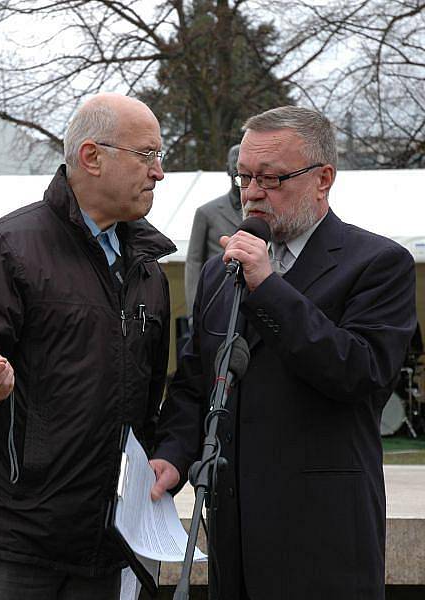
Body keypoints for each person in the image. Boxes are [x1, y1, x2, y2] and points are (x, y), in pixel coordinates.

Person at [150, 106, 417, 599]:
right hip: (234, 540)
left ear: (323, 179)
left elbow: (360, 372)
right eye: (244, 177)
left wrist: (269, 287)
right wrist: (172, 454)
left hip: (323, 541)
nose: (251, 194)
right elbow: (196, 383)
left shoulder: (378, 264)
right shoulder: (217, 272)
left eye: (271, 179)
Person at [0, 93, 175, 600]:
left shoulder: (147, 270)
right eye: (146, 155)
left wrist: (166, 457)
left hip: (108, 542)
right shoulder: (8, 247)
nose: (159, 172)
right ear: (91, 157)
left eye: (159, 156)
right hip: (11, 539)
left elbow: (146, 403)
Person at [184, 144, 243, 313]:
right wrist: (193, 311)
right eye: (235, 165)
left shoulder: (263, 211)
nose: (238, 171)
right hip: (216, 300)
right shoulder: (206, 213)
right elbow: (194, 262)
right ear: (227, 169)